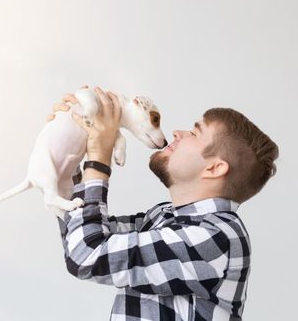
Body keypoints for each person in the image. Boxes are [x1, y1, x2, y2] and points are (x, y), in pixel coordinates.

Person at [46, 85, 279, 320]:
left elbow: (86, 255)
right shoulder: (163, 216)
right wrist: (70, 150)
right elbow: (80, 234)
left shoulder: (215, 237)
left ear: (215, 168)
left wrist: (99, 158)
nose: (178, 133)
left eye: (195, 133)